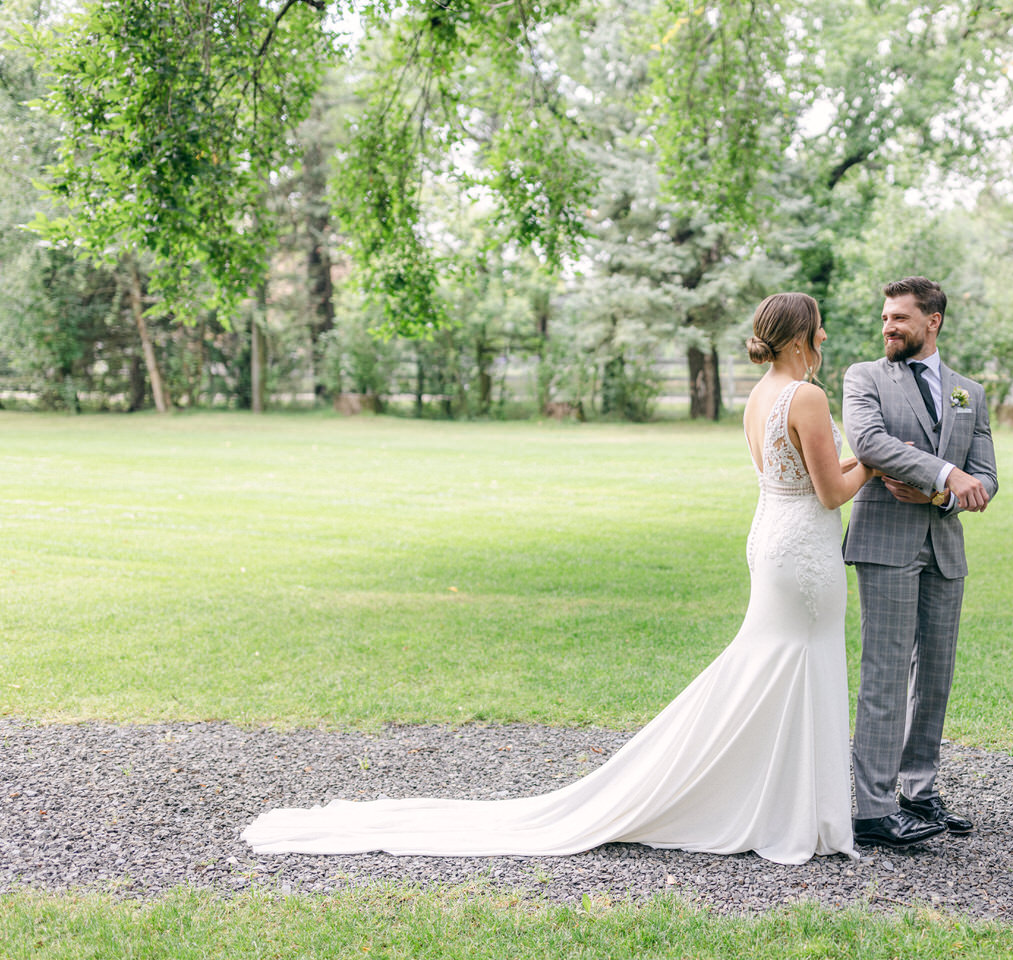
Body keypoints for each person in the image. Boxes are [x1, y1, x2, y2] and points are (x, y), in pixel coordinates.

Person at [242, 292, 874, 865]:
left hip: (774, 540)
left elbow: (801, 477)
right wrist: (874, 461)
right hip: (804, 554)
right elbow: (828, 492)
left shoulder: (760, 396)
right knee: (788, 664)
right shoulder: (808, 396)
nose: (823, 340)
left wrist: (859, 462)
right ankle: (782, 810)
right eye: (818, 331)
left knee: (769, 666)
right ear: (799, 338)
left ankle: (776, 803)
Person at [841, 276, 997, 848]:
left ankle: (919, 792)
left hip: (943, 547)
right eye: (885, 317)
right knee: (884, 673)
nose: (888, 327)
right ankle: (874, 810)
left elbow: (988, 477)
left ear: (932, 322)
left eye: (900, 318)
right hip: (885, 542)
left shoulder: (968, 391)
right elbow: (868, 443)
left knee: (934, 674)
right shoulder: (864, 378)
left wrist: (939, 491)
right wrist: (943, 472)